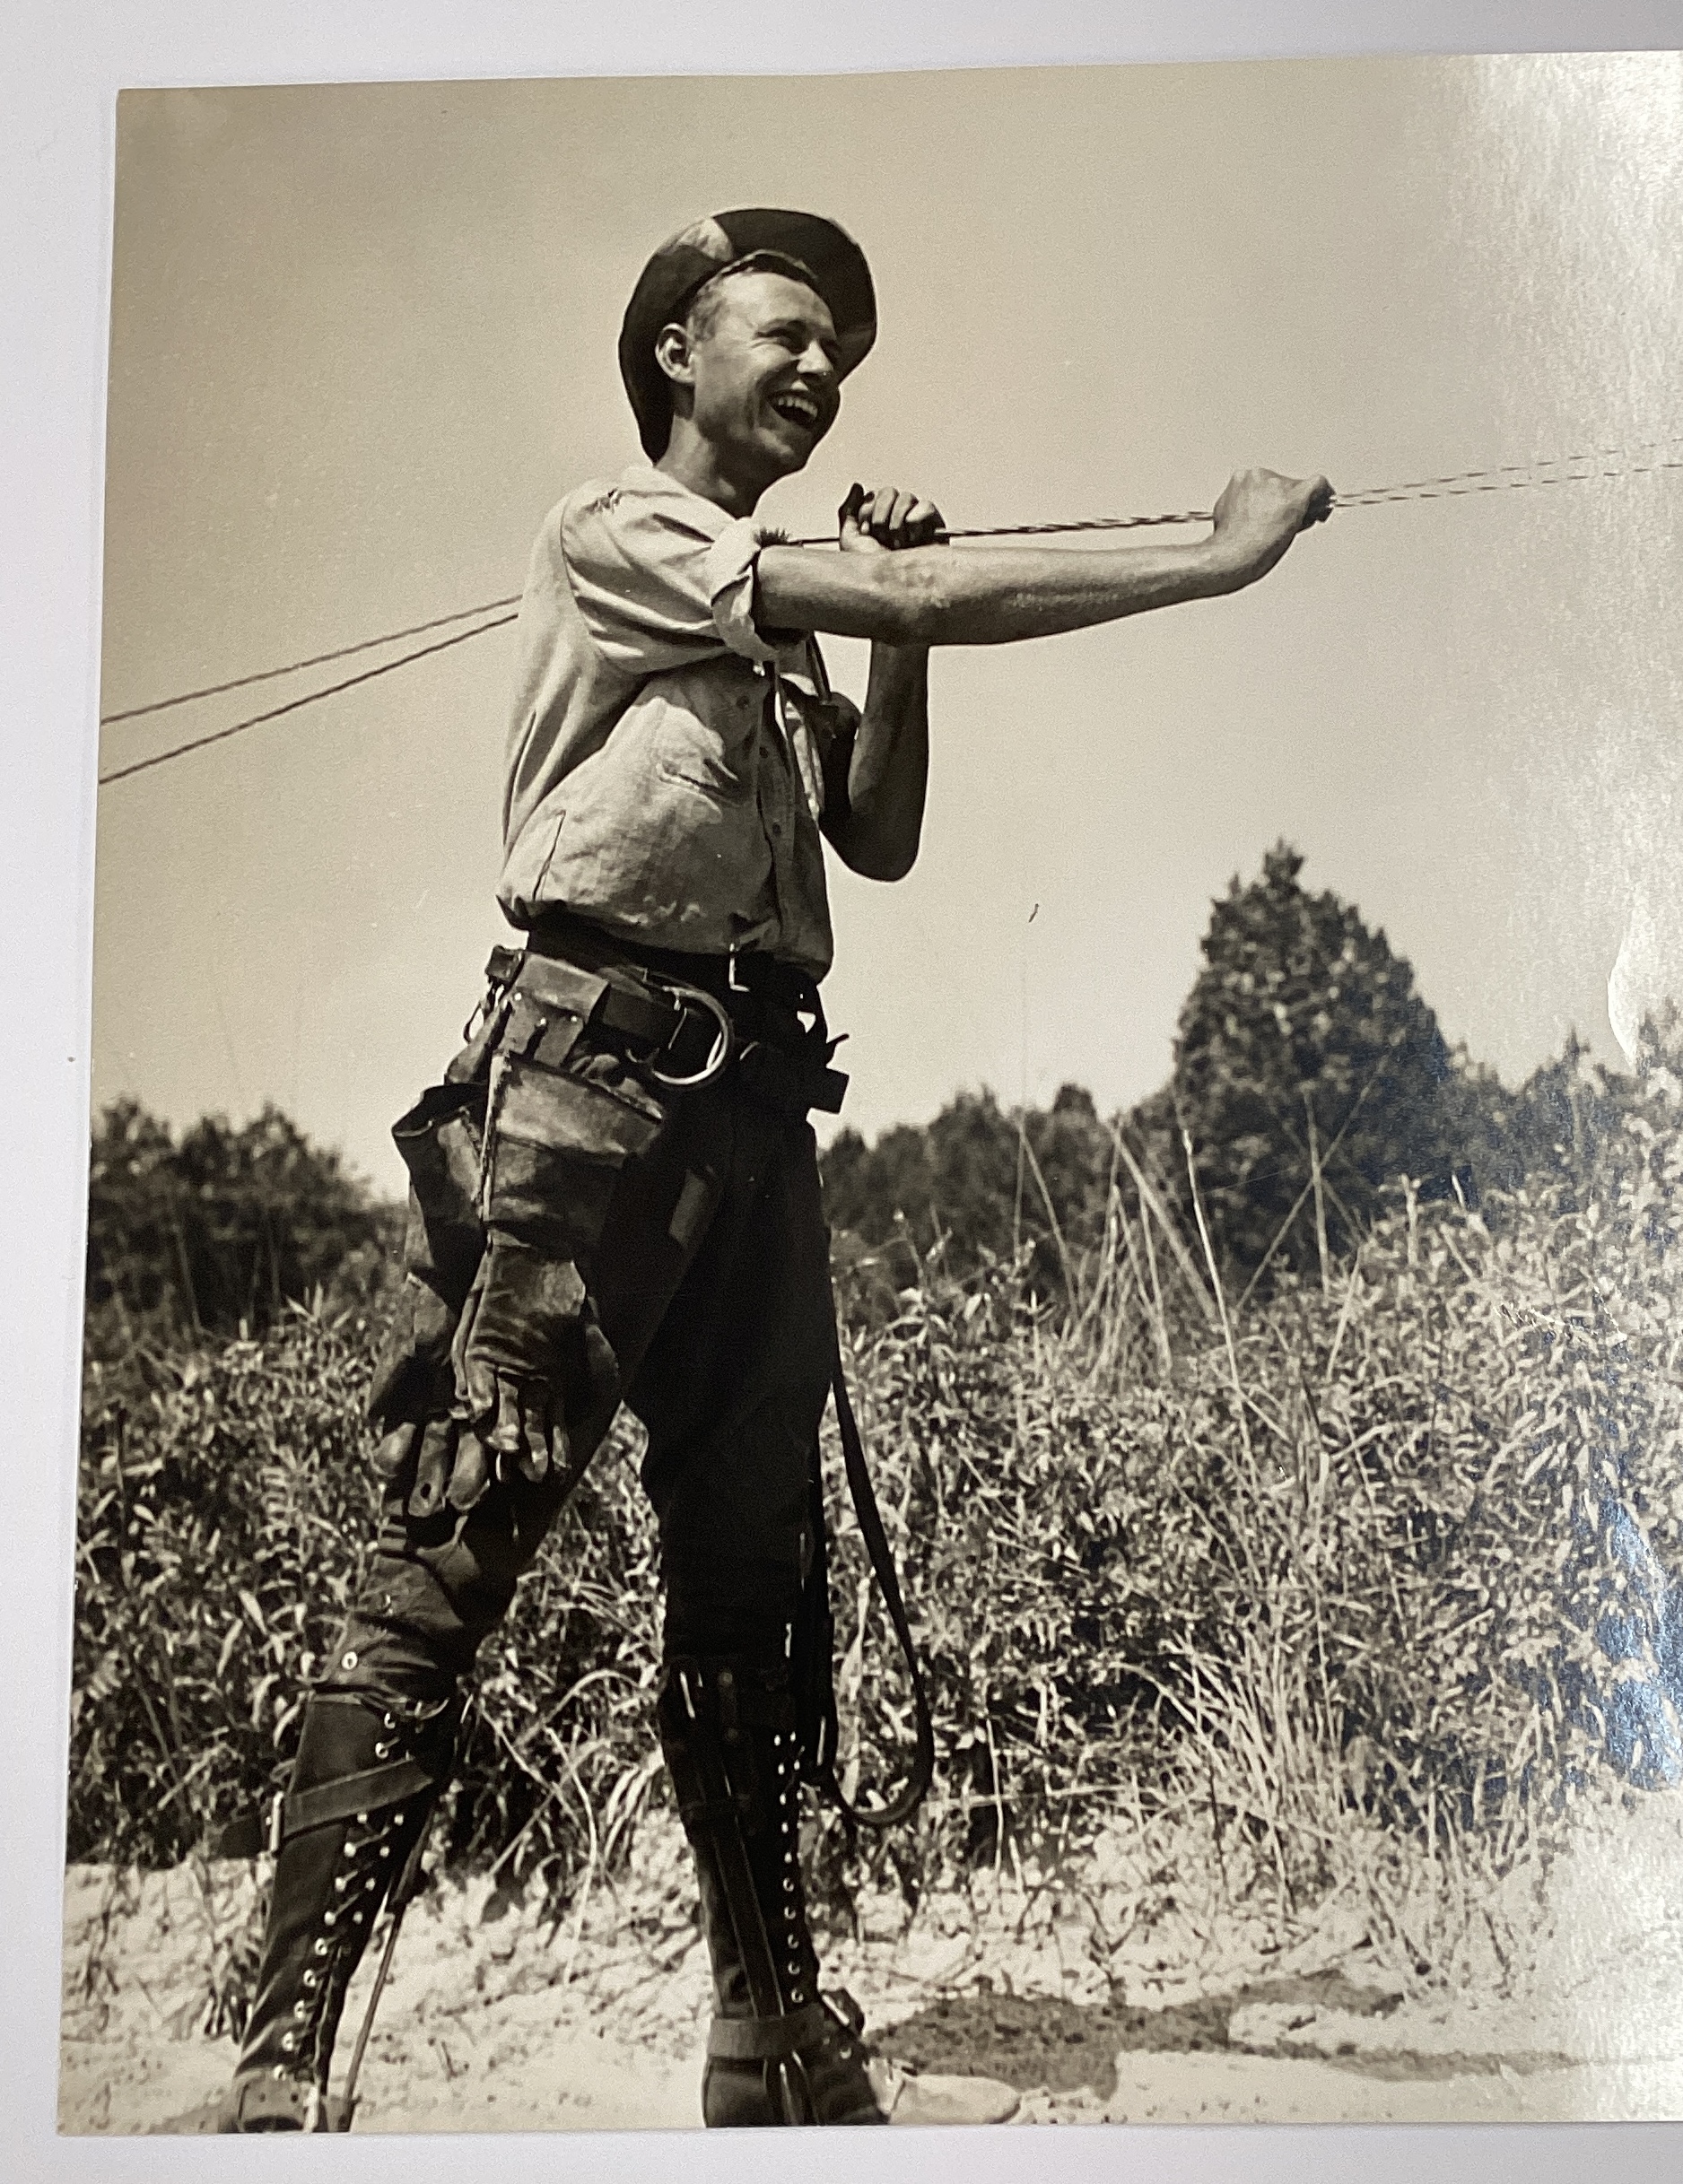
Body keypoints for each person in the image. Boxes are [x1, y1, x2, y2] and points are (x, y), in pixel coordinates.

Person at [194, 206, 1330, 2133]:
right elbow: (908, 605)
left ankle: (762, 2038)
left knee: (751, 1594)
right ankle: (280, 2068)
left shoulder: (780, 605)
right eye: (783, 336)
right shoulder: (614, 529)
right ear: (674, 359)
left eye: (840, 357)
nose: (817, 372)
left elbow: (872, 834)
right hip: (583, 1100)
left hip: (749, 1119)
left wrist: (886, 624)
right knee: (447, 1561)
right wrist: (1213, 561)